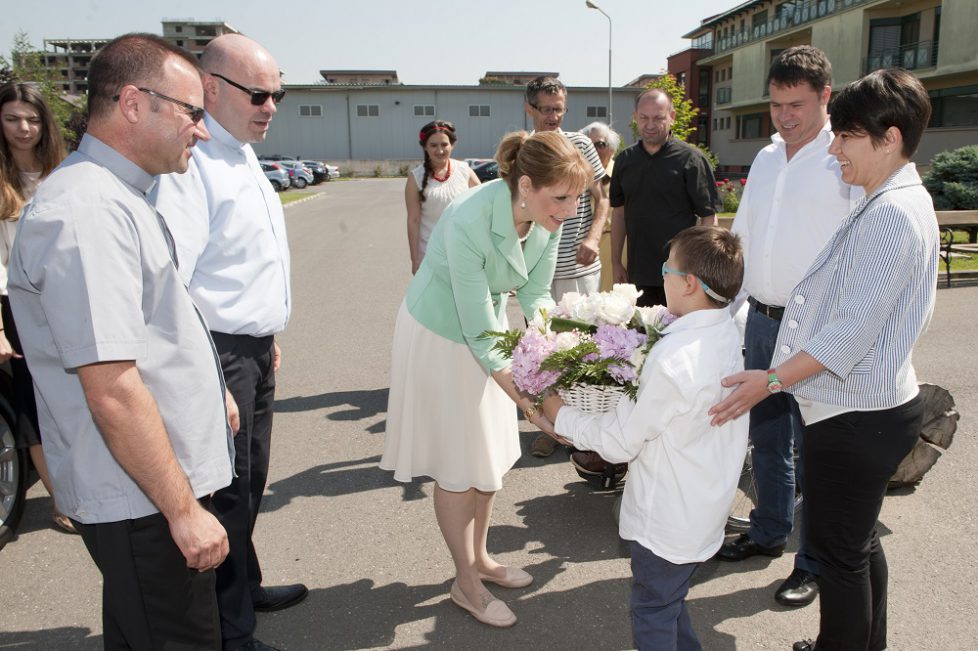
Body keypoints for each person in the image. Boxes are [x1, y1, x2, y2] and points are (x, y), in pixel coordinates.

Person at [7, 33, 234, 649]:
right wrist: (183, 512)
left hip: (149, 492)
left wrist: (212, 396)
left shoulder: (115, 196)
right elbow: (110, 385)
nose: (204, 131)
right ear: (135, 103)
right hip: (143, 501)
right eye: (193, 112)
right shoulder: (86, 212)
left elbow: (150, 332)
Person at [710, 68, 938, 651]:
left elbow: (850, 335)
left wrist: (770, 380)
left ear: (888, 138)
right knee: (857, 544)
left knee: (839, 558)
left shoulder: (890, 211)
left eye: (846, 137)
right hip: (874, 404)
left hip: (856, 412)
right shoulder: (892, 197)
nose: (833, 149)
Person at [381, 130, 591, 628]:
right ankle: (465, 584)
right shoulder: (469, 218)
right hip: (440, 335)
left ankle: (479, 559)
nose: (568, 209)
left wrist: (557, 356)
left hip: (486, 330)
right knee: (459, 462)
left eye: (576, 198)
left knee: (489, 455)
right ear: (525, 184)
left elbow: (537, 295)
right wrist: (534, 404)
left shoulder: (548, 215)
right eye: (561, 198)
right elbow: (477, 335)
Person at [152, 34, 303, 651]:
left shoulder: (240, 153)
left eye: (279, 95)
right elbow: (177, 281)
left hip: (251, 348)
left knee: (251, 479)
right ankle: (228, 629)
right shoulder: (195, 163)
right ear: (211, 88)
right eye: (260, 94)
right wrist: (212, 374)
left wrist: (264, 335)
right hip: (217, 351)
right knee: (224, 489)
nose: (271, 106)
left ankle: (246, 584)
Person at [540, 225, 748, 650]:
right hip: (703, 503)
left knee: (652, 609)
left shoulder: (673, 359)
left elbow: (620, 442)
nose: (662, 277)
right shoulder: (725, 332)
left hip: (668, 518)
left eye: (666, 269)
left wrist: (563, 416)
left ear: (689, 283)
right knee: (669, 602)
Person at [716, 46, 861, 610]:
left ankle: (814, 561)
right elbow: (743, 234)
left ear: (827, 96)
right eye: (776, 104)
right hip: (763, 321)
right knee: (768, 439)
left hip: (816, 331)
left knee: (816, 449)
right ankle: (769, 530)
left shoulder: (845, 159)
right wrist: (728, 308)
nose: (785, 116)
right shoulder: (767, 157)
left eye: (796, 104)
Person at [0, 82, 74, 533]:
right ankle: (60, 501)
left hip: (66, 302)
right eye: (11, 118)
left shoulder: (62, 172)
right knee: (37, 405)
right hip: (19, 309)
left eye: (32, 119)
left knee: (78, 400)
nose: (23, 128)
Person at [523, 76, 608, 458]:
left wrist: (592, 238)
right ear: (530, 109)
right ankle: (550, 426)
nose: (554, 116)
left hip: (579, 265)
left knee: (584, 347)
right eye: (546, 109)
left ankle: (588, 433)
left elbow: (602, 200)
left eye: (559, 109)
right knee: (543, 351)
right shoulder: (525, 149)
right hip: (537, 271)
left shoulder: (582, 144)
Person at [610, 89, 719, 308]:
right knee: (641, 339)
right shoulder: (624, 160)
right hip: (637, 276)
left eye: (658, 117)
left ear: (672, 117)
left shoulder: (691, 160)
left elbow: (709, 219)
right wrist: (615, 262)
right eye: (644, 118)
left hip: (682, 276)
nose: (650, 124)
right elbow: (619, 213)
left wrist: (700, 268)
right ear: (635, 117)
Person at [406, 119, 480, 274]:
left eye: (444, 145)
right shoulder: (416, 178)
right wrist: (415, 260)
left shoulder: (464, 171)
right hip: (430, 256)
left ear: (452, 145)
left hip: (465, 253)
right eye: (433, 145)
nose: (440, 150)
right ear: (425, 147)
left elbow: (483, 207)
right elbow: (413, 220)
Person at [579, 121, 621, 293]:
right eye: (588, 145)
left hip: (614, 252)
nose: (593, 150)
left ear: (611, 149)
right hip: (579, 254)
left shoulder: (622, 174)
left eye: (600, 144)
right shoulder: (573, 179)